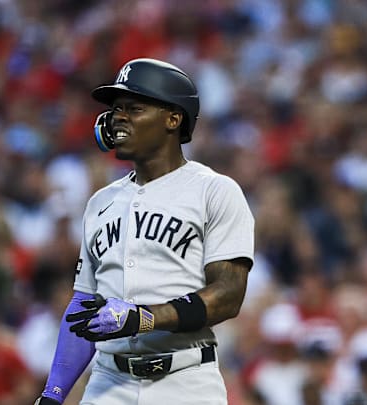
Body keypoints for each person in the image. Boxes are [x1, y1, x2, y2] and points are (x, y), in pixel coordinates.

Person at [34, 58, 255, 405]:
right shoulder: (100, 203)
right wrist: (53, 394)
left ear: (173, 118)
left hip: (186, 381)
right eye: (116, 109)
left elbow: (228, 294)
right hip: (108, 382)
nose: (118, 117)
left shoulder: (214, 191)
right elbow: (82, 306)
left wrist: (145, 318)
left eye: (134, 108)